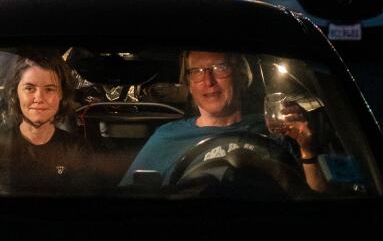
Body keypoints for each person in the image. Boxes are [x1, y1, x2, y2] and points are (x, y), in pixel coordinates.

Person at [121, 50, 326, 193]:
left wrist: (307, 149)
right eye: (197, 72)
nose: (208, 82)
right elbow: (130, 203)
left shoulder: (278, 129)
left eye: (220, 68)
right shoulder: (168, 137)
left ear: (242, 76)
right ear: (190, 86)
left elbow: (316, 204)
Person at [0, 53, 92, 192]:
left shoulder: (78, 150)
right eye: (29, 88)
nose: (39, 98)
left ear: (61, 95)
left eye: (49, 89)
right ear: (16, 93)